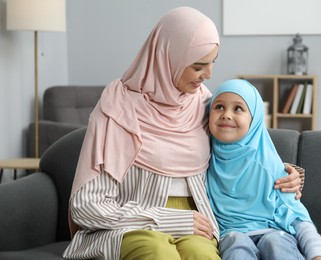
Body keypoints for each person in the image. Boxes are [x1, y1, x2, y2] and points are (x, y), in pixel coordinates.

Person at [63, 7, 302, 260]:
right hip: (130, 225)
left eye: (212, 63)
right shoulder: (116, 109)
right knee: (157, 252)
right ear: (168, 57)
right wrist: (169, 219)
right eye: (198, 66)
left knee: (204, 256)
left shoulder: (206, 105)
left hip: (198, 224)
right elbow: (85, 207)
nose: (209, 74)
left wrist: (286, 174)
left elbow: (243, 153)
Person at [206, 79, 321, 260]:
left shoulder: (271, 168)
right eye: (219, 107)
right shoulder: (203, 160)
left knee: (275, 243)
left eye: (238, 108)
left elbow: (297, 217)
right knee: (237, 246)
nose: (226, 115)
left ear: (254, 118)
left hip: (275, 231)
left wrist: (318, 255)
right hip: (230, 234)